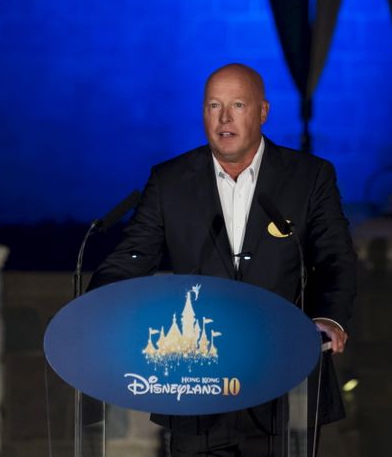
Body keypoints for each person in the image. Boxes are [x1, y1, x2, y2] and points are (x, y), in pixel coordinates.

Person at [88, 63, 356, 456]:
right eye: (214, 106)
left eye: (237, 105)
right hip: (198, 389)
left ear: (262, 112)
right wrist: (97, 307)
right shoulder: (170, 181)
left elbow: (335, 258)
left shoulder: (308, 177)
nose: (224, 118)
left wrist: (329, 316)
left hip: (283, 385)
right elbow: (132, 257)